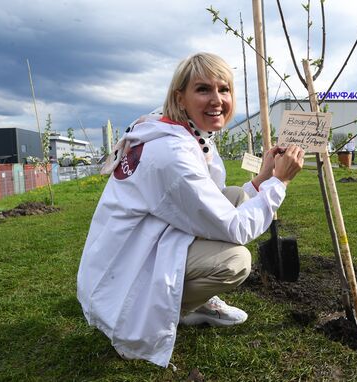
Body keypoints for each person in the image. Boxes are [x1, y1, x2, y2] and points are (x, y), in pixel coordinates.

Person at [76, 52, 305, 367]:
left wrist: (263, 177)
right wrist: (279, 182)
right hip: (128, 262)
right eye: (203, 89)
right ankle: (144, 318)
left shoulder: (175, 130)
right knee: (236, 261)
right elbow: (237, 228)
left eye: (224, 89)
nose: (217, 99)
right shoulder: (172, 153)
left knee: (237, 196)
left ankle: (188, 299)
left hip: (145, 238)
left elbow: (210, 200)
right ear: (179, 97)